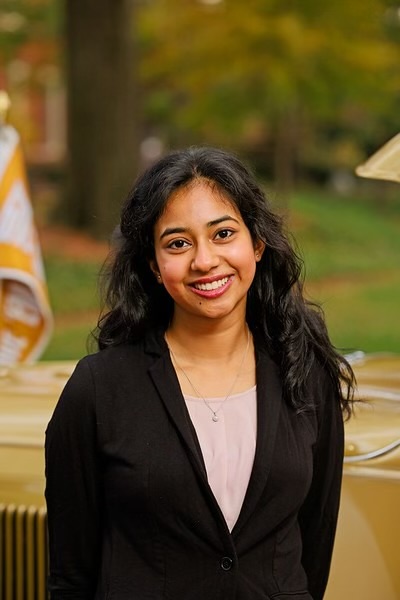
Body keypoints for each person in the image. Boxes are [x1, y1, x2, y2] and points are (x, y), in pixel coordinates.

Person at [45, 146, 355, 600]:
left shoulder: (306, 372)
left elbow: (315, 540)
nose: (205, 261)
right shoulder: (98, 388)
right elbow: (71, 575)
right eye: (178, 243)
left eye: (223, 234)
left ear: (257, 244)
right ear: (154, 265)